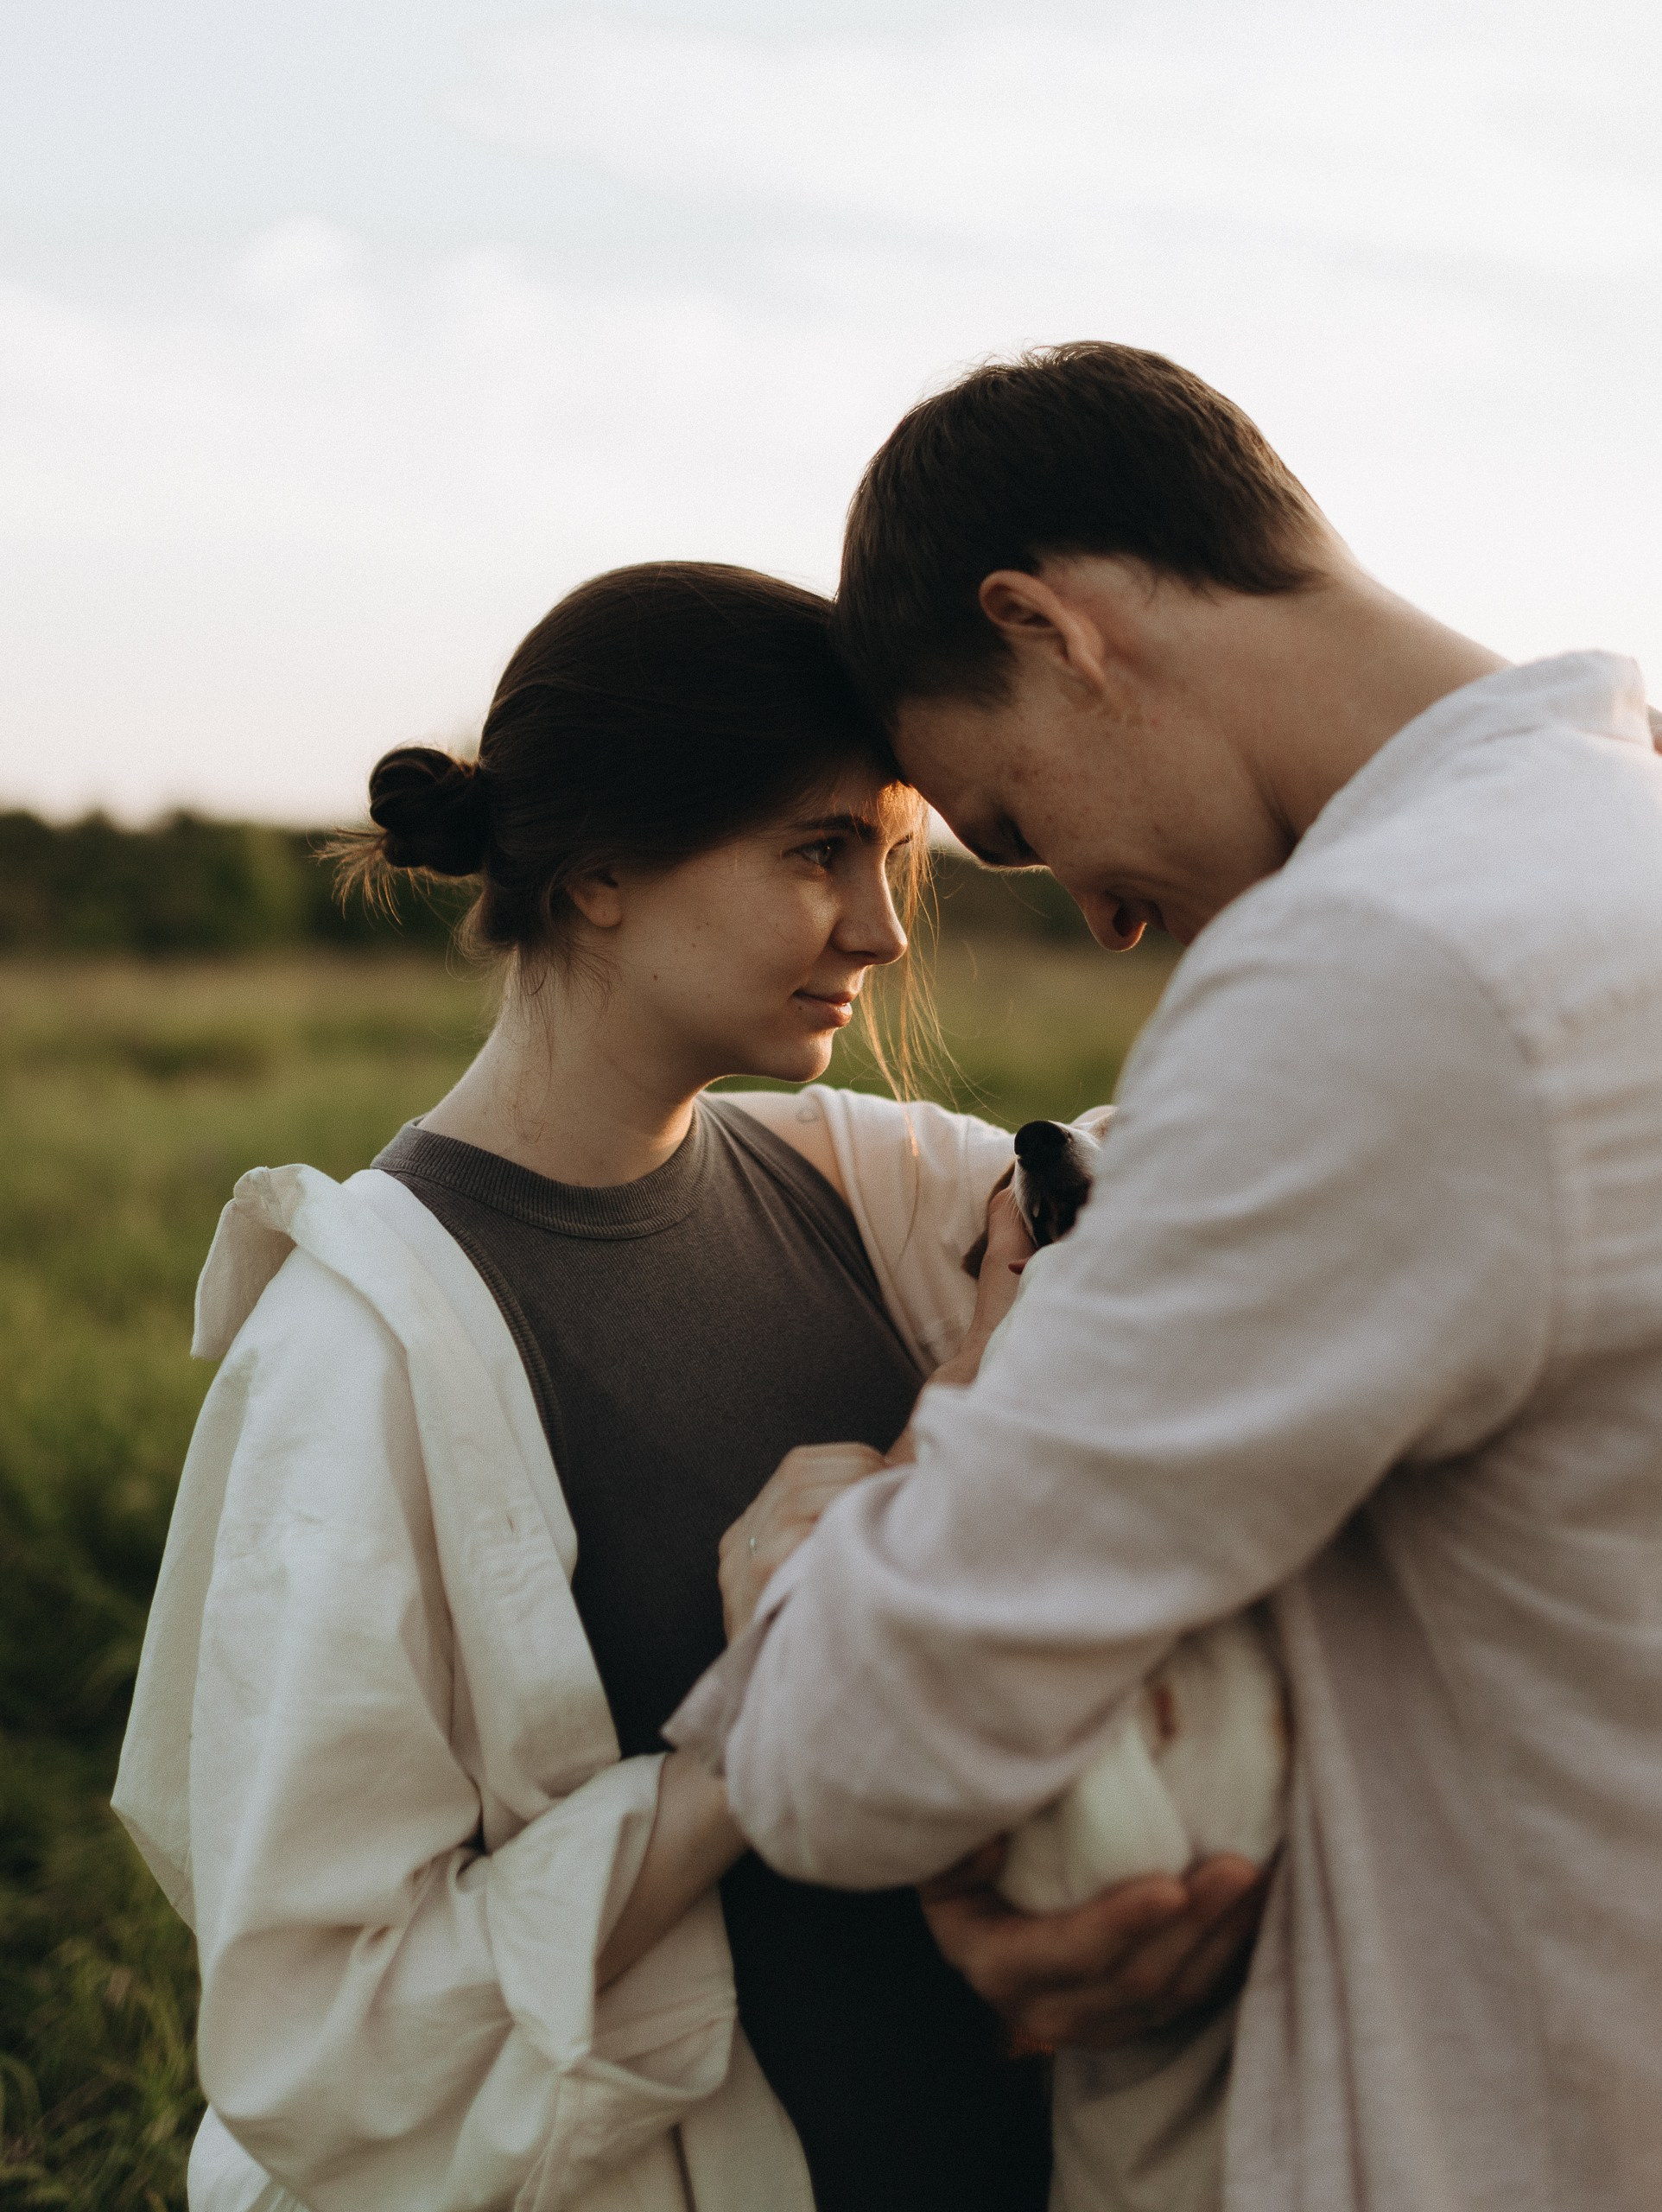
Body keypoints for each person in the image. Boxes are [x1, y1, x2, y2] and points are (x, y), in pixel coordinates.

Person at [112, 561, 1252, 2212]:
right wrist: (761, 1731)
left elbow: (1211, 1191)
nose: (881, 927)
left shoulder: (851, 1181)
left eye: (892, 859)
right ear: (597, 876)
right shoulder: (362, 1353)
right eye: (818, 851)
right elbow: (325, 2032)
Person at [669, 346, 1662, 2212]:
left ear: (1050, 630)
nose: (1104, 916)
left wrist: (826, 1536)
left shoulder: (1389, 969)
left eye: (1017, 826)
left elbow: (852, 1750)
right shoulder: (1606, 848)